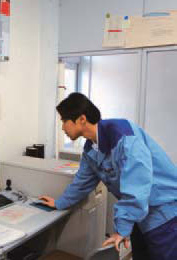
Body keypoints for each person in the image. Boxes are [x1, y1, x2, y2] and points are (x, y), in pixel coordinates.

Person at [39, 92, 177, 260]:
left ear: (81, 119)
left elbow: (137, 187)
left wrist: (122, 229)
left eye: (63, 121)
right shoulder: (91, 148)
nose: (62, 128)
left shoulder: (124, 136)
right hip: (139, 215)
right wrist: (60, 203)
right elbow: (82, 183)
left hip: (164, 213)